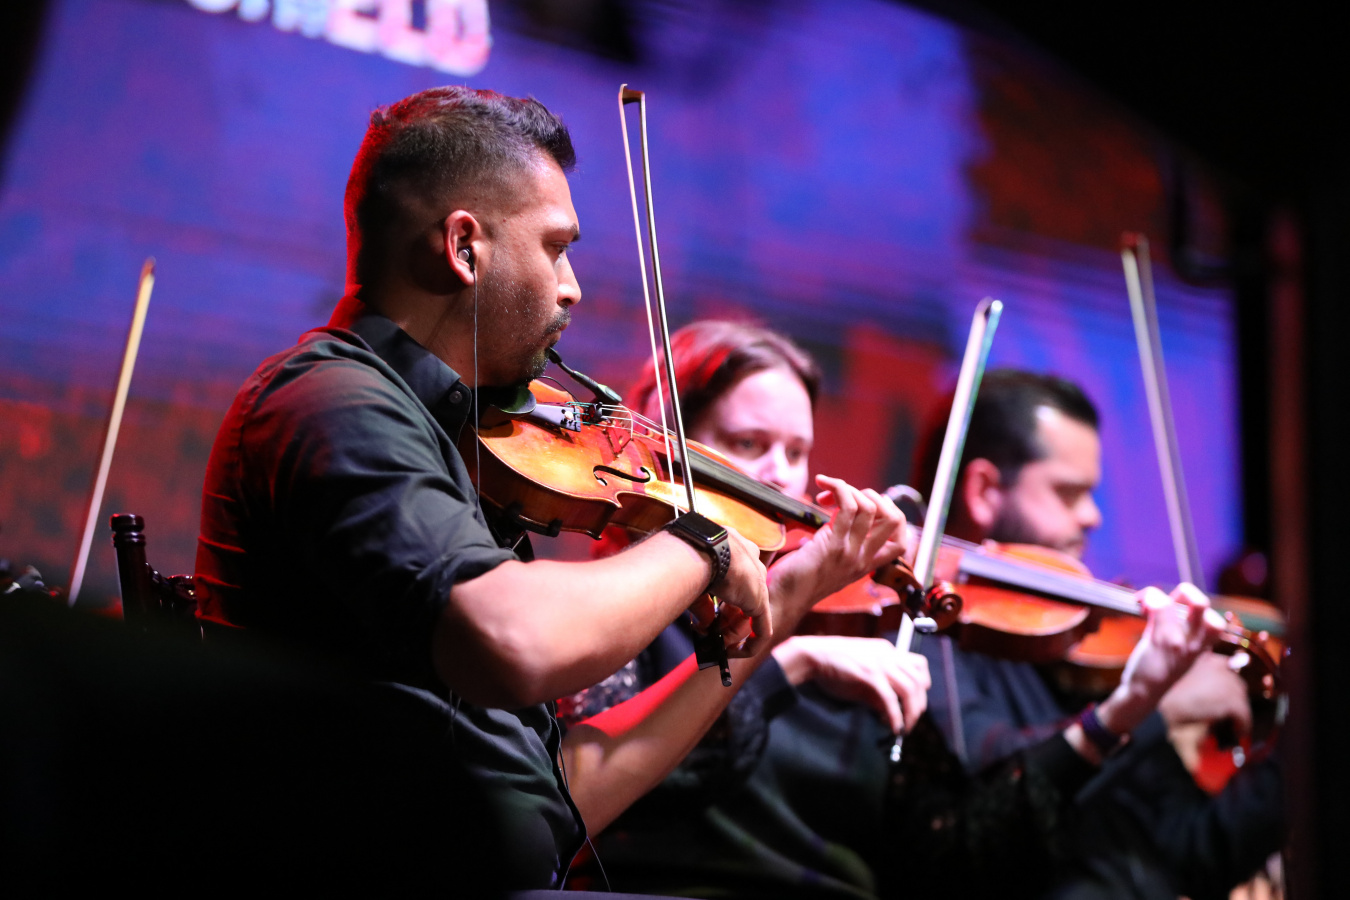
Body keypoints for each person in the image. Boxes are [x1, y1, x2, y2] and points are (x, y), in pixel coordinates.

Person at [193, 86, 912, 891]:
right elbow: (516, 641)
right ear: (465, 247)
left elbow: (565, 792)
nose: (571, 287)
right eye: (555, 248)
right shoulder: (330, 402)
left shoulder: (456, 434)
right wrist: (702, 545)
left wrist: (788, 591)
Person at [567, 321, 1227, 899]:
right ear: (669, 442)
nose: (779, 475)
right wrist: (787, 665)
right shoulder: (622, 613)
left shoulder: (860, 629)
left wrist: (1127, 707)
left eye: (796, 452)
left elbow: (957, 854)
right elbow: (604, 798)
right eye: (747, 443)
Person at [913, 369, 1284, 900]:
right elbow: (992, 792)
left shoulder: (1085, 651)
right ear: (985, 491)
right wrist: (1158, 708)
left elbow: (1194, 849)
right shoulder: (925, 639)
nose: (1092, 516)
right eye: (1069, 493)